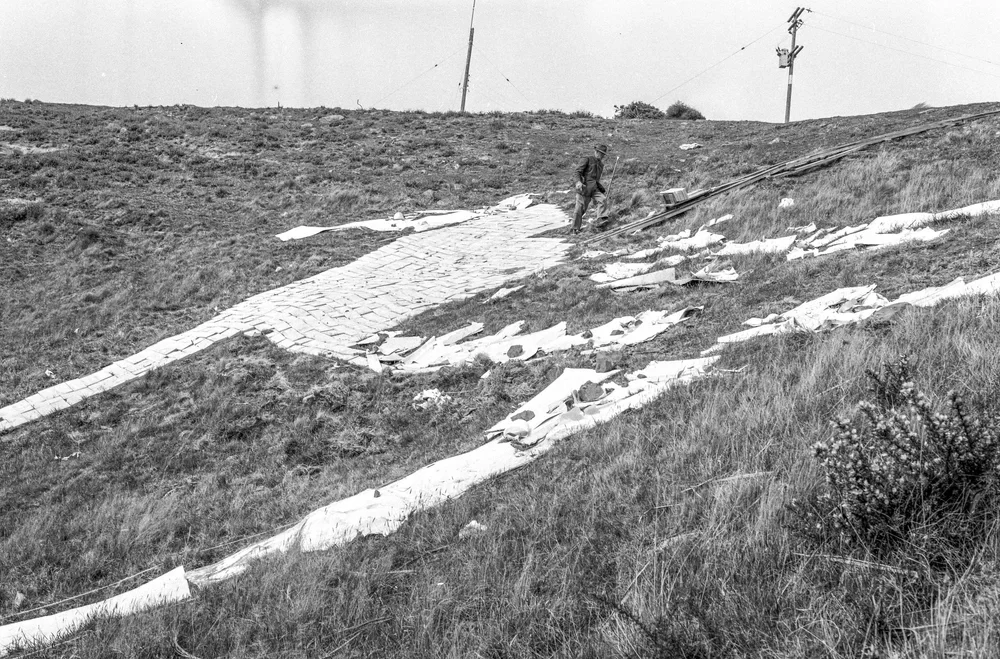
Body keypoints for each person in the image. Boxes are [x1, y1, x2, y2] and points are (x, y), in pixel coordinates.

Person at [570, 143, 609, 234]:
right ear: (596, 152)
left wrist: (600, 188)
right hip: (584, 188)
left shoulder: (601, 165)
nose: (602, 155)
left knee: (603, 199)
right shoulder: (587, 159)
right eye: (601, 153)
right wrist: (578, 182)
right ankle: (574, 229)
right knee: (580, 209)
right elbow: (577, 172)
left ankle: (602, 219)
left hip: (594, 188)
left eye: (603, 154)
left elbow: (595, 179)